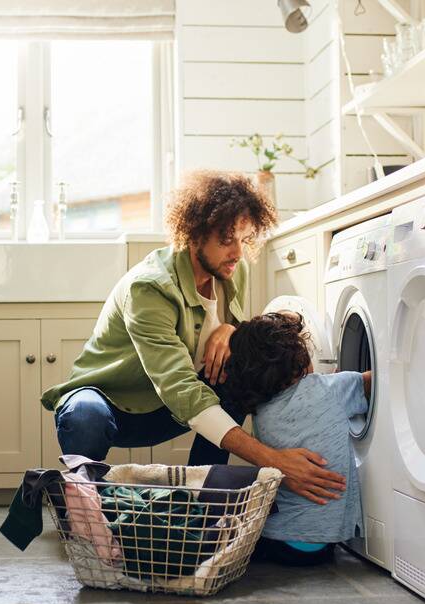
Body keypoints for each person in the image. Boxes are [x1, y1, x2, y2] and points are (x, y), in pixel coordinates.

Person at [40, 171, 346, 504]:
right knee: (85, 414)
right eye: (227, 239)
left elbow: (241, 346)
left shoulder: (231, 271)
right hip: (114, 407)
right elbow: (179, 388)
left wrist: (232, 330)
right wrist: (271, 459)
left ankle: (203, 501)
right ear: (194, 233)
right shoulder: (150, 288)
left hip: (167, 411)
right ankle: (84, 506)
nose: (238, 252)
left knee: (242, 374)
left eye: (244, 239)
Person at [222, 312, 373, 565]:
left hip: (280, 538)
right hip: (317, 545)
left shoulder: (262, 411)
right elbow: (374, 382)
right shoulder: (327, 389)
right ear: (300, 360)